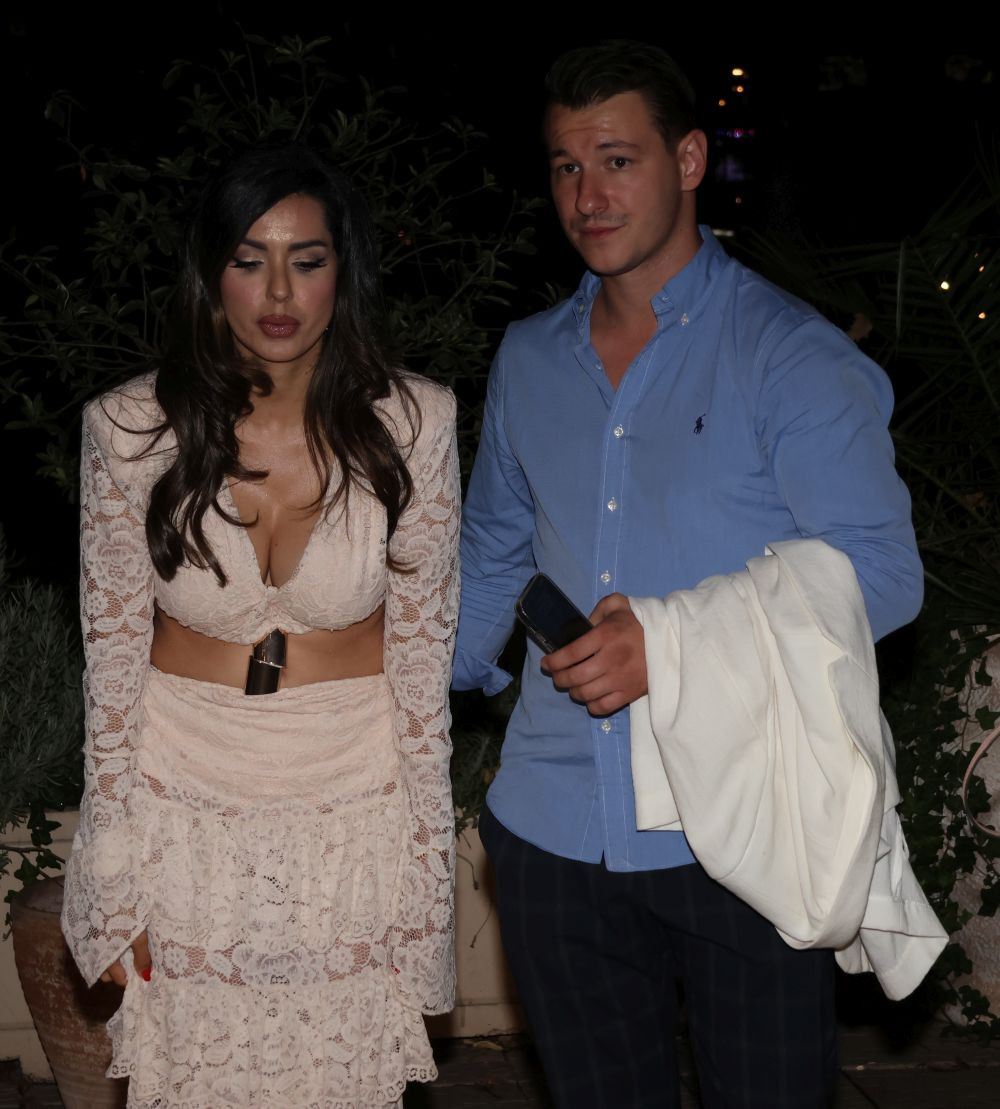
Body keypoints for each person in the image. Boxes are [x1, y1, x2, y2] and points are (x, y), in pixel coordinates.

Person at [454, 41, 924, 1109]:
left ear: (691, 159)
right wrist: (381, 704)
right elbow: (490, 557)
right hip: (553, 827)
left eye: (617, 160)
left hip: (740, 824)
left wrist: (669, 641)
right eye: (566, 167)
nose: (588, 195)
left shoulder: (791, 355)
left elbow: (885, 575)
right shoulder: (528, 357)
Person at [60, 143, 460, 1108]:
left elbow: (422, 670)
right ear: (212, 275)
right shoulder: (128, 428)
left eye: (306, 260)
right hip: (183, 803)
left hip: (353, 802)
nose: (279, 291)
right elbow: (110, 666)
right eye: (249, 259)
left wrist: (426, 871)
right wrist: (111, 866)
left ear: (342, 273)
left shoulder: (417, 422)